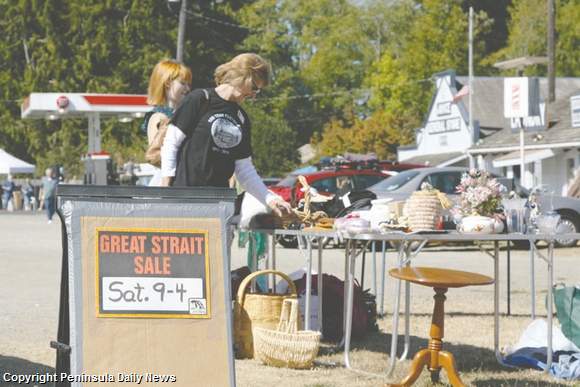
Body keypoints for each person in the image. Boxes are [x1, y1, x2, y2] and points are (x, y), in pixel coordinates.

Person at [160, 53, 291, 216]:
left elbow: (245, 170)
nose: (254, 95)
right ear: (244, 77)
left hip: (218, 205)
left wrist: (271, 199)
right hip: (184, 199)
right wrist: (165, 189)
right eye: (255, 88)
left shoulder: (242, 119)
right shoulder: (200, 99)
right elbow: (171, 144)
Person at [141, 59, 192, 186]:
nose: (187, 88)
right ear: (168, 83)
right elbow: (155, 156)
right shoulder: (158, 117)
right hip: (165, 181)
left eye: (188, 84)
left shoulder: (183, 114)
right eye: (183, 83)